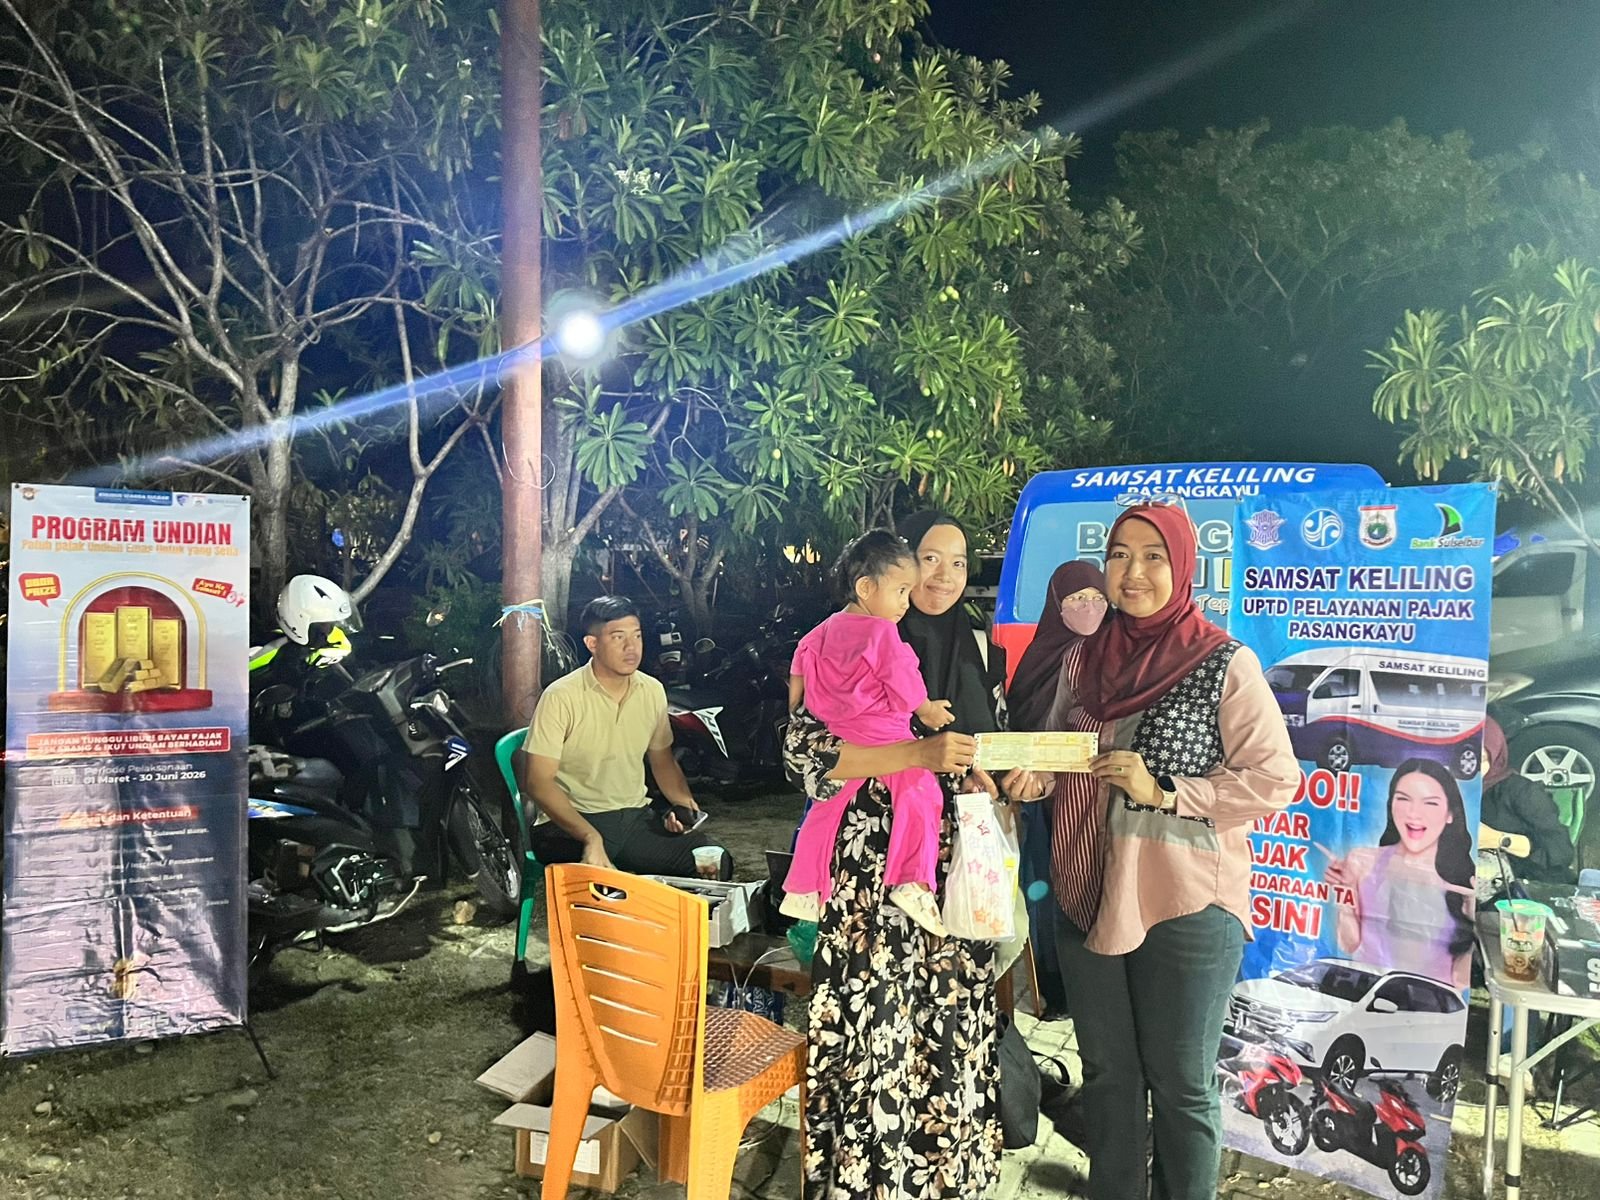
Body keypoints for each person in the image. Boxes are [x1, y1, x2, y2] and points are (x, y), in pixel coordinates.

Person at [785, 510, 1043, 1200]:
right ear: (891, 571)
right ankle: (867, 1182)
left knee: (951, 1025)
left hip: (958, 875)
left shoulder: (980, 650)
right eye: (929, 558)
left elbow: (996, 745)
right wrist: (916, 754)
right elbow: (804, 757)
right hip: (870, 878)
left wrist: (1019, 777)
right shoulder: (845, 642)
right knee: (875, 1025)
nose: (944, 576)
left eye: (959, 563)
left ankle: (944, 1181)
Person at [1046, 504, 1298, 1200]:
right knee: (1109, 1075)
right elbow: (1060, 751)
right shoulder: (1082, 658)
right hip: (1086, 885)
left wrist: (1165, 791)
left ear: (1183, 566)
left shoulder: (1223, 662)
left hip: (1184, 899)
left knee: (1181, 1084)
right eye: (1119, 555)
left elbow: (1275, 779)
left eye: (1153, 556)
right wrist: (1026, 775)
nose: (1133, 572)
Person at [781, 530, 955, 933]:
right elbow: (904, 681)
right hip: (886, 735)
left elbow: (797, 681)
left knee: (824, 811)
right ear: (865, 587)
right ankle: (912, 879)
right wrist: (927, 710)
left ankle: (803, 887)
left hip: (841, 738)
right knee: (922, 793)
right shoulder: (881, 633)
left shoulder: (819, 632)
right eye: (900, 591)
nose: (905, 602)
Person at [516, 595, 732, 880]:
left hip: (634, 819)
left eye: (637, 636)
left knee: (715, 861)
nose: (631, 648)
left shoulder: (651, 691)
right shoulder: (561, 696)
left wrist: (682, 808)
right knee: (611, 889)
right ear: (592, 644)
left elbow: (663, 761)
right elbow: (538, 782)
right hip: (570, 823)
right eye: (618, 637)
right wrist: (590, 837)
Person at [1007, 560, 1108, 1015]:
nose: (1088, 608)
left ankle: (1090, 984)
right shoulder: (1041, 656)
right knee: (1045, 891)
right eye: (1077, 599)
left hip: (1093, 800)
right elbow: (1022, 721)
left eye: (1097, 599)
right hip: (1041, 799)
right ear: (1056, 605)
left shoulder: (1114, 656)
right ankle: (1052, 984)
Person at [1324, 758, 1477, 987]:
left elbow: (1461, 980)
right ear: (1391, 806)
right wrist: (1343, 896)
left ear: (1450, 815)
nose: (1414, 813)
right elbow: (1349, 944)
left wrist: (1473, 920)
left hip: (1431, 1001)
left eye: (1430, 803)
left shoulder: (1463, 880)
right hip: (1367, 993)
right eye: (1403, 799)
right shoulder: (1363, 861)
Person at [1480, 717, 1574, 885]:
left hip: (1526, 884)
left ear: (1495, 755)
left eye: (1481, 759)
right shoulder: (1443, 789)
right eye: (1463, 758)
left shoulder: (1523, 792)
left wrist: (1499, 839)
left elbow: (1560, 851)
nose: (1471, 767)